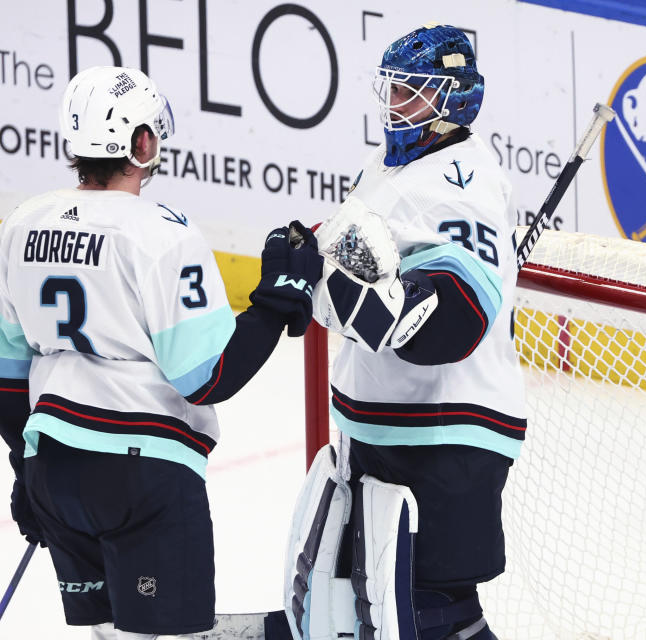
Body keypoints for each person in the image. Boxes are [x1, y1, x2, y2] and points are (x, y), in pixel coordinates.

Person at [0, 66, 322, 640]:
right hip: (142, 479)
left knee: (112, 633)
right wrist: (274, 303)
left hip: (55, 472)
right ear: (142, 143)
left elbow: (4, 383)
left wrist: (28, 467)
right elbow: (207, 376)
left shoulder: (21, 224)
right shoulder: (164, 234)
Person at [282, 23, 526, 640]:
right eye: (392, 90)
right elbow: (362, 272)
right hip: (386, 425)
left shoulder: (462, 185)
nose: (395, 106)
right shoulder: (390, 165)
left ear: (455, 101)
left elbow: (456, 321)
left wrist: (340, 292)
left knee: (433, 611)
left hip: (448, 432)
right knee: (374, 605)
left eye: (413, 93)